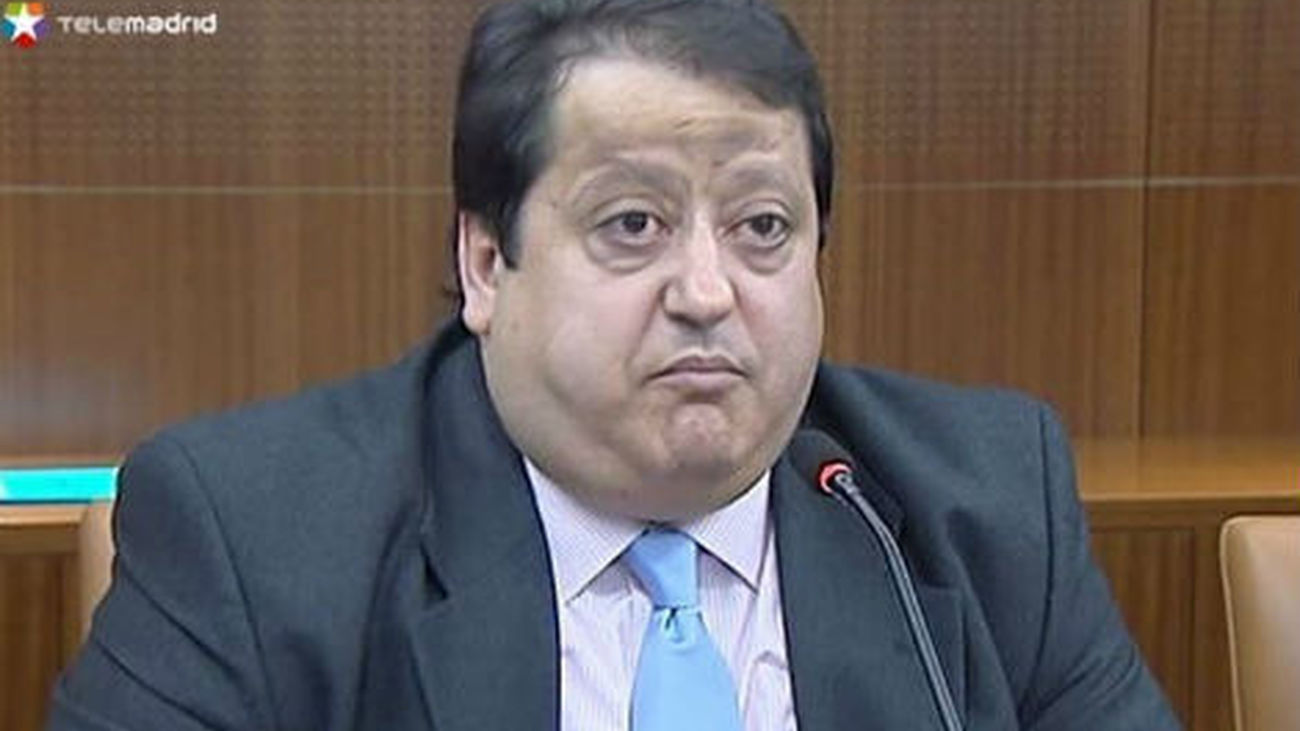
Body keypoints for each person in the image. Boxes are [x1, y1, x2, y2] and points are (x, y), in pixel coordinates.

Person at [47, 0, 1181, 729]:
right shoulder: (255, 535)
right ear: (486, 262)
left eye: (763, 227)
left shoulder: (981, 505)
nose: (706, 291)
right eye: (633, 224)